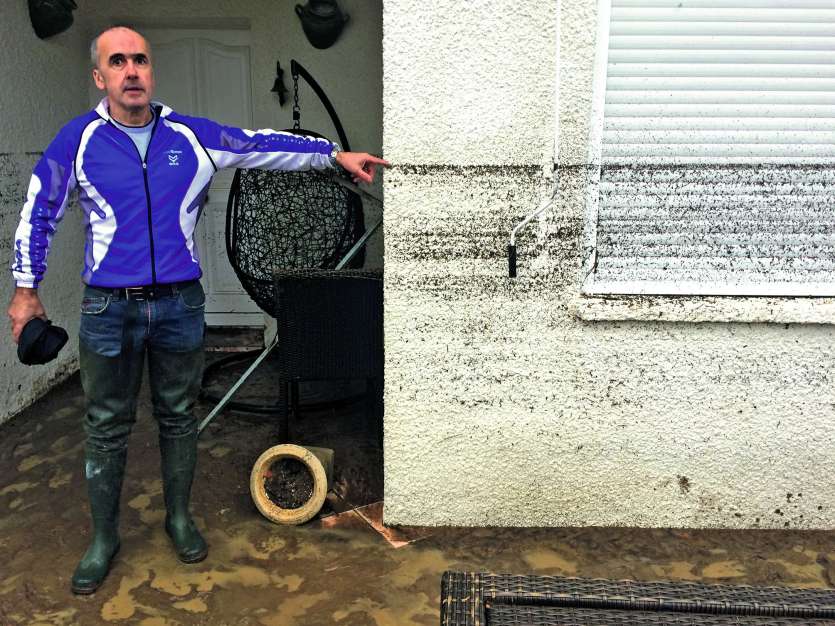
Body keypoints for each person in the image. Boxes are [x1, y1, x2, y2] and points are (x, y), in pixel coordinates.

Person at [6, 26, 388, 595]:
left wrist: (334, 157)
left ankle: (179, 518)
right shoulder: (79, 140)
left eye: (139, 60)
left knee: (179, 416)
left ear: (150, 70)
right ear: (100, 77)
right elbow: (40, 209)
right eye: (118, 62)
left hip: (180, 306)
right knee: (107, 426)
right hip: (108, 308)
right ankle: (103, 538)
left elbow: (261, 143)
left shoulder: (190, 134)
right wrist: (25, 288)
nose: (131, 71)